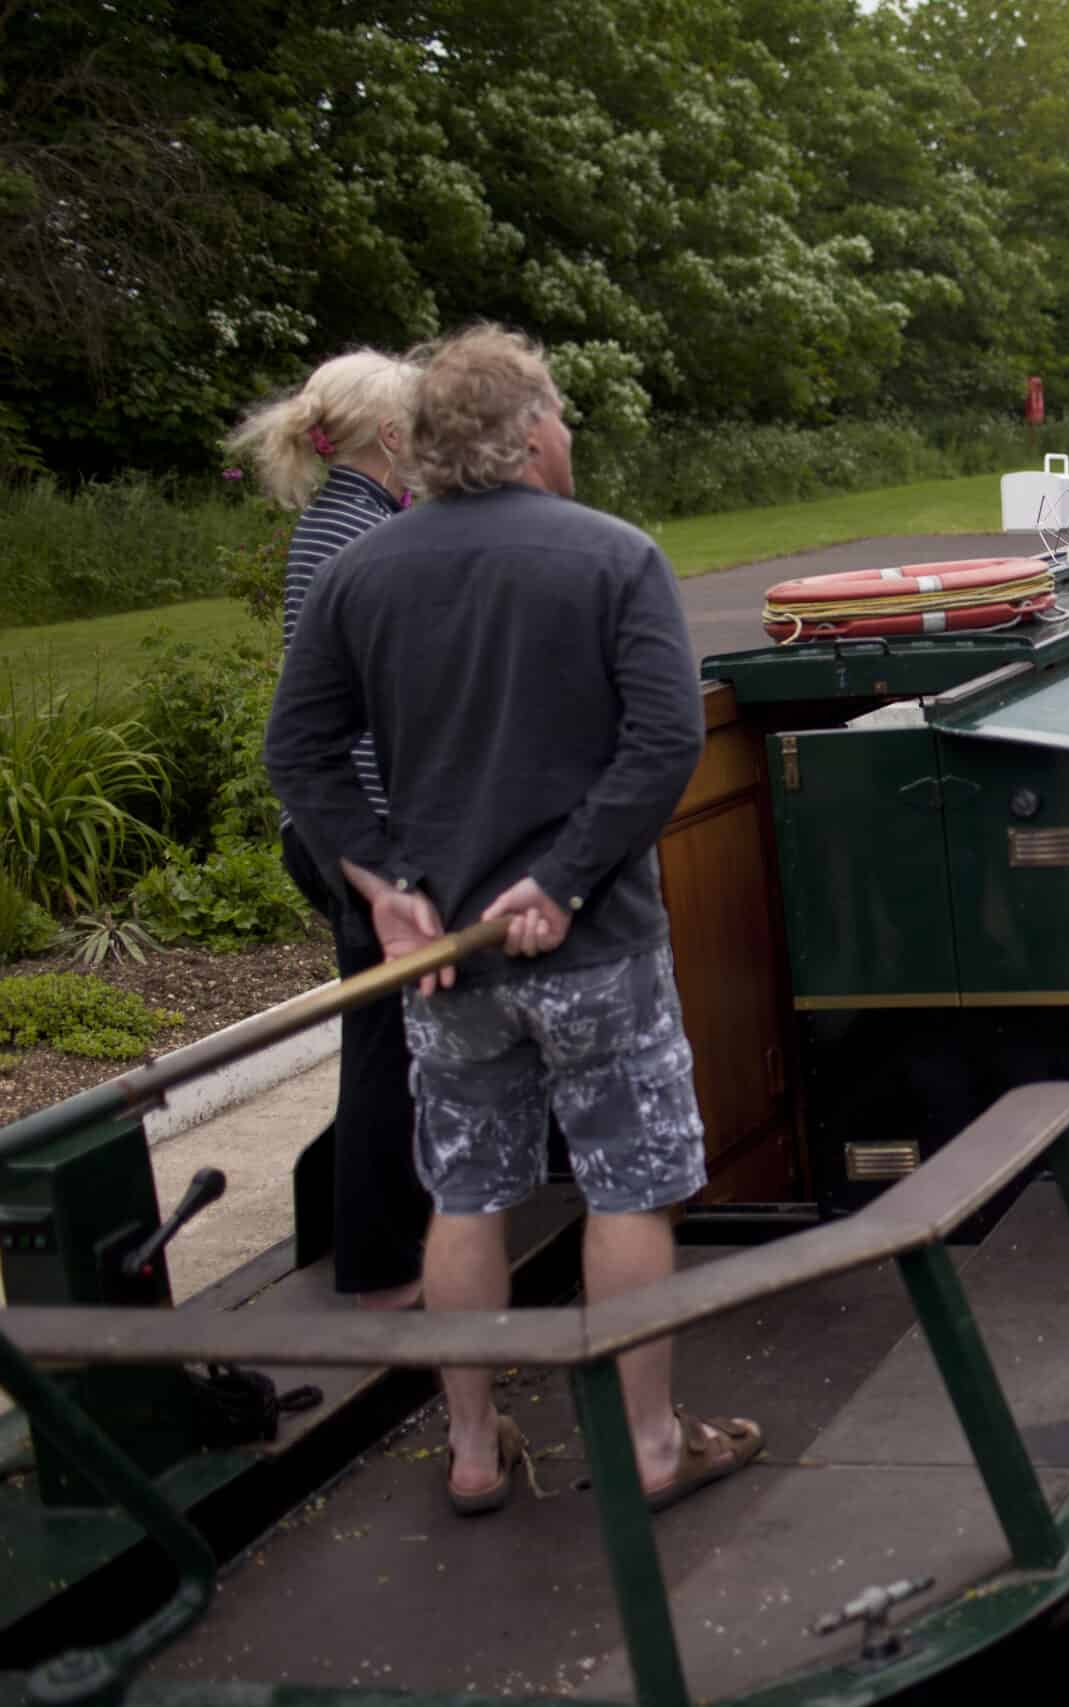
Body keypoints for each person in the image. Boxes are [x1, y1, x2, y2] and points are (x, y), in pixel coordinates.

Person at [264, 323, 760, 1517]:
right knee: (629, 1185)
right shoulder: (612, 558)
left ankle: (476, 1452)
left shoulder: (358, 574)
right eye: (563, 417)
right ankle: (650, 1444)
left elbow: (300, 752)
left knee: (467, 1191)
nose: (569, 436)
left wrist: (383, 888)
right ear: (531, 430)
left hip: (446, 963)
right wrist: (569, 877)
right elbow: (664, 740)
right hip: (592, 948)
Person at [224, 350, 430, 1312]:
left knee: (392, 1032)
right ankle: (382, 1266)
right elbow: (326, 728)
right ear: (392, 437)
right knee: (383, 1039)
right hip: (353, 837)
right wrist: (382, 863)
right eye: (419, 425)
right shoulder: (358, 537)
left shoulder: (348, 521)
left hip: (346, 831)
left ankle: (399, 1239)